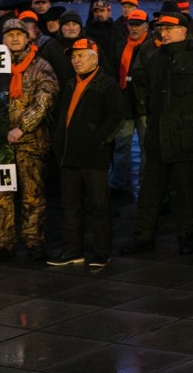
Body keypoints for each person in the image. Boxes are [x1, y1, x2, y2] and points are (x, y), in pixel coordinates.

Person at [120, 12, 193, 256]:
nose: (163, 33)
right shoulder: (156, 57)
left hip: (188, 139)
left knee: (187, 192)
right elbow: (144, 89)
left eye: (168, 28)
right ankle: (144, 236)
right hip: (158, 136)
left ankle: (186, 237)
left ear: (183, 30)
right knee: (149, 191)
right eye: (161, 28)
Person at [48, 38, 124, 268]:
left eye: (81, 56)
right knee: (70, 206)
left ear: (94, 57)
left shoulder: (107, 84)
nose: (75, 60)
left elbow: (116, 117)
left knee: (99, 206)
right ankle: (73, 250)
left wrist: (98, 139)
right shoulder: (71, 83)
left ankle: (102, 252)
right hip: (69, 155)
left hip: (93, 156)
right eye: (73, 57)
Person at [0, 19, 58, 262]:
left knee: (32, 194)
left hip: (31, 141)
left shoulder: (40, 65)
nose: (14, 39)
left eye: (19, 34)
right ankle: (3, 243)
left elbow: (46, 98)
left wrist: (22, 127)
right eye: (9, 35)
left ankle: (34, 242)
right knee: (0, 194)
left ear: (28, 37)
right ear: (2, 39)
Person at [109, 9, 150, 194]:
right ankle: (118, 184)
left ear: (146, 26)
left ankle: (146, 185)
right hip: (125, 103)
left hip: (143, 105)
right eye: (131, 24)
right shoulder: (120, 45)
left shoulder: (151, 47)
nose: (134, 28)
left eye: (138, 24)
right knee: (122, 145)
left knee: (146, 147)